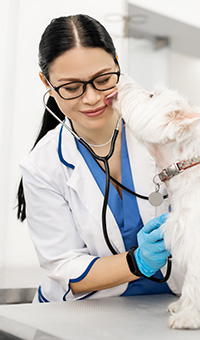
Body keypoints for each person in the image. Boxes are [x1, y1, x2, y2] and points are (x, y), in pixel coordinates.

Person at [17, 14, 180, 303]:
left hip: (169, 303)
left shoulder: (165, 128)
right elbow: (63, 267)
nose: (91, 98)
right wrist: (136, 262)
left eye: (103, 80)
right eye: (71, 88)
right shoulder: (42, 166)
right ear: (47, 83)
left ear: (117, 62)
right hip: (86, 312)